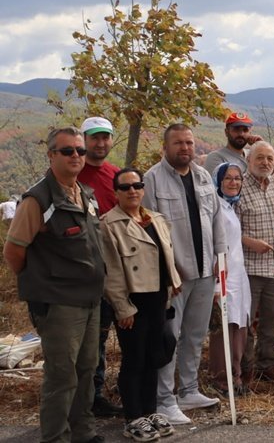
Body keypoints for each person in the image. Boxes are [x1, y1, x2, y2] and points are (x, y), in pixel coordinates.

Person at [4, 127, 105, 442]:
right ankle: (56, 437)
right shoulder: (38, 199)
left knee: (87, 369)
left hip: (90, 299)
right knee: (62, 376)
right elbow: (14, 251)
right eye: (67, 151)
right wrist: (39, 284)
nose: (76, 156)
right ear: (51, 155)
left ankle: (83, 432)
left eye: (80, 150)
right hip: (59, 303)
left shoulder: (85, 194)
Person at [143, 124, 226, 425]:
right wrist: (166, 269)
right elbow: (147, 227)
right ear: (165, 147)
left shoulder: (203, 176)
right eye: (178, 143)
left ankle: (189, 390)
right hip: (174, 277)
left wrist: (220, 256)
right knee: (170, 337)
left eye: (189, 142)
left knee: (195, 334)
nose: (185, 148)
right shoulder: (152, 180)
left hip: (206, 271)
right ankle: (165, 399)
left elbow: (216, 219)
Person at [101, 168, 182, 441]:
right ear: (116, 193)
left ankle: (150, 411)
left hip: (158, 297)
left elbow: (166, 256)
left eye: (137, 185)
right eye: (125, 187)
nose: (132, 191)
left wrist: (173, 283)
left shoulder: (155, 219)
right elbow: (111, 272)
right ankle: (133, 417)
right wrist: (122, 307)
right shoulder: (109, 225)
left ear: (143, 188)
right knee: (134, 359)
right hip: (133, 301)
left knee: (154, 357)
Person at [77, 116, 124, 418]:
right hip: (86, 272)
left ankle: (124, 388)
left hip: (118, 268)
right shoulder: (73, 173)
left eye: (105, 137)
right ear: (83, 140)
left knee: (122, 333)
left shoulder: (116, 174)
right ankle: (90, 397)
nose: (101, 143)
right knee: (94, 339)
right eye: (95, 137)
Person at [235, 142, 274, 380]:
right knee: (246, 319)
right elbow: (228, 227)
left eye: (269, 158)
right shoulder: (239, 187)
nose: (265, 162)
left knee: (273, 315)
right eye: (260, 158)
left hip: (273, 265)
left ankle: (267, 363)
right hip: (248, 266)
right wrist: (249, 242)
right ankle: (245, 368)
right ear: (249, 160)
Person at [208, 163, 251, 397]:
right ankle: (221, 379)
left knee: (238, 326)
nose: (234, 182)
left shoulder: (231, 207)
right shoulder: (215, 208)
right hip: (223, 277)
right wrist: (215, 283)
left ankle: (236, 376)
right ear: (219, 181)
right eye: (228, 178)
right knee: (223, 329)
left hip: (238, 276)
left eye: (238, 178)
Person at [203, 112, 274, 176]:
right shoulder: (216, 157)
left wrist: (264, 145)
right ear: (226, 132)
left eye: (245, 130)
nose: (241, 134)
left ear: (250, 133)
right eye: (236, 129)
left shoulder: (253, 155)